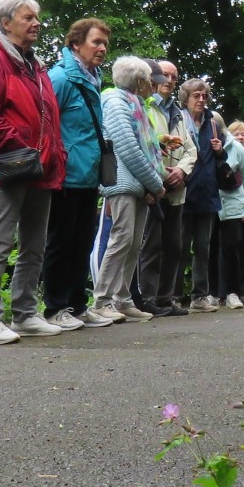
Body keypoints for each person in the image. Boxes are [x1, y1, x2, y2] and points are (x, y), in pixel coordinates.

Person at [0, 0, 68, 345]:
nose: (37, 23)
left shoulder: (37, 68)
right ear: (6, 23)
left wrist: (55, 156)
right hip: (6, 168)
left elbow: (49, 121)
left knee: (34, 246)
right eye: (28, 17)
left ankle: (25, 314)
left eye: (37, 17)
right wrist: (19, 149)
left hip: (39, 170)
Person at [43, 17, 114, 330]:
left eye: (105, 44)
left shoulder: (93, 78)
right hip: (65, 174)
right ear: (76, 43)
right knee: (61, 242)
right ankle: (55, 308)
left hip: (88, 175)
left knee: (82, 242)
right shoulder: (60, 78)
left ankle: (77, 305)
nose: (102, 49)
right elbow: (44, 124)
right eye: (96, 42)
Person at [93, 55, 165, 321]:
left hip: (138, 184)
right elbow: (127, 147)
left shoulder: (136, 105)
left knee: (134, 243)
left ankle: (122, 300)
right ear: (138, 80)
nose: (152, 85)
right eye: (148, 80)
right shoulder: (115, 101)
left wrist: (149, 184)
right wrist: (156, 183)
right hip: (122, 182)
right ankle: (101, 300)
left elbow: (144, 147)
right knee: (120, 241)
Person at [133, 60, 189, 316]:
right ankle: (148, 298)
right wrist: (159, 173)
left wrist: (182, 170)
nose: (169, 80)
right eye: (164, 75)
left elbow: (191, 150)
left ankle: (166, 298)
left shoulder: (178, 112)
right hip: (152, 186)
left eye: (174, 77)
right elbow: (144, 143)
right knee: (151, 245)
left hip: (176, 189)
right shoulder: (145, 106)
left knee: (174, 246)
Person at [180, 77, 230, 312]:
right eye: (196, 96)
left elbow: (222, 161)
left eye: (204, 96)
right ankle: (173, 296)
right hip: (183, 192)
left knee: (203, 248)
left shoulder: (213, 123)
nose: (201, 100)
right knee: (178, 248)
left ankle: (199, 296)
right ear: (186, 98)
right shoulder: (178, 120)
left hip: (208, 194)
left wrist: (220, 152)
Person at [217, 120, 244, 308]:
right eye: (237, 133)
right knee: (228, 250)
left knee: (243, 253)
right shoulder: (226, 156)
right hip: (231, 209)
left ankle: (241, 291)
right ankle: (225, 291)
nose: (241, 136)